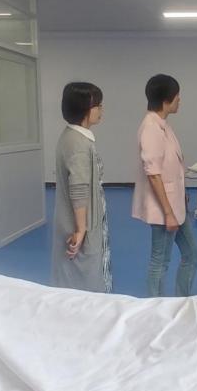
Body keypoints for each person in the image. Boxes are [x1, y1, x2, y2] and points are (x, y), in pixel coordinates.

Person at [132, 74, 197, 296]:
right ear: (166, 100)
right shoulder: (151, 128)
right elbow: (153, 174)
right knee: (160, 262)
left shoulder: (162, 125)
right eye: (177, 96)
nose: (179, 100)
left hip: (175, 205)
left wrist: (181, 193)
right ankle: (156, 307)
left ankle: (182, 299)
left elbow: (172, 166)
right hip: (164, 209)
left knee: (192, 253)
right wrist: (168, 213)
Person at [51, 82, 111, 292]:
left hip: (85, 217)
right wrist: (81, 229)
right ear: (85, 108)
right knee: (83, 278)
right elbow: (79, 188)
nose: (101, 110)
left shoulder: (73, 137)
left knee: (77, 276)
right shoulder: (78, 144)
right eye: (98, 105)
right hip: (81, 220)